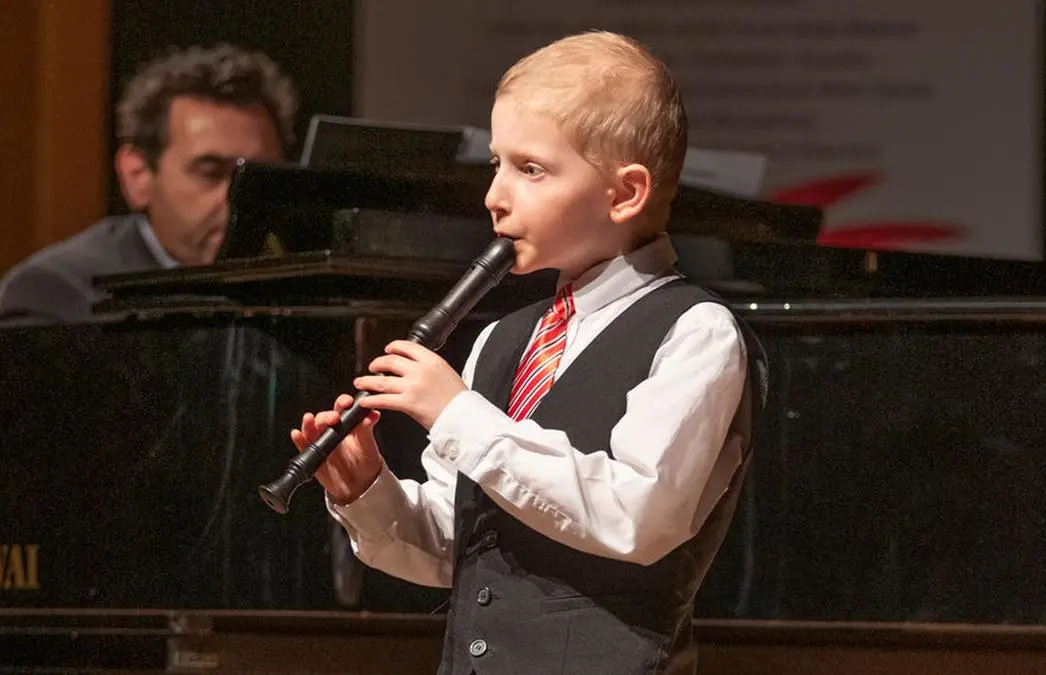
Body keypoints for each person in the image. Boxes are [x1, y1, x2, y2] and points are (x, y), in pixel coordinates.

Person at [291, 31, 766, 675]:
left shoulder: (694, 332)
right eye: (497, 164)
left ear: (625, 193)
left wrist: (457, 416)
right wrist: (369, 493)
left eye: (531, 169)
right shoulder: (503, 339)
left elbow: (636, 516)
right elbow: (461, 545)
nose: (495, 195)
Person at [0, 44, 297, 326]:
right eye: (210, 172)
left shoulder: (299, 280)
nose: (238, 197)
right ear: (137, 175)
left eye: (258, 177)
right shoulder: (56, 294)